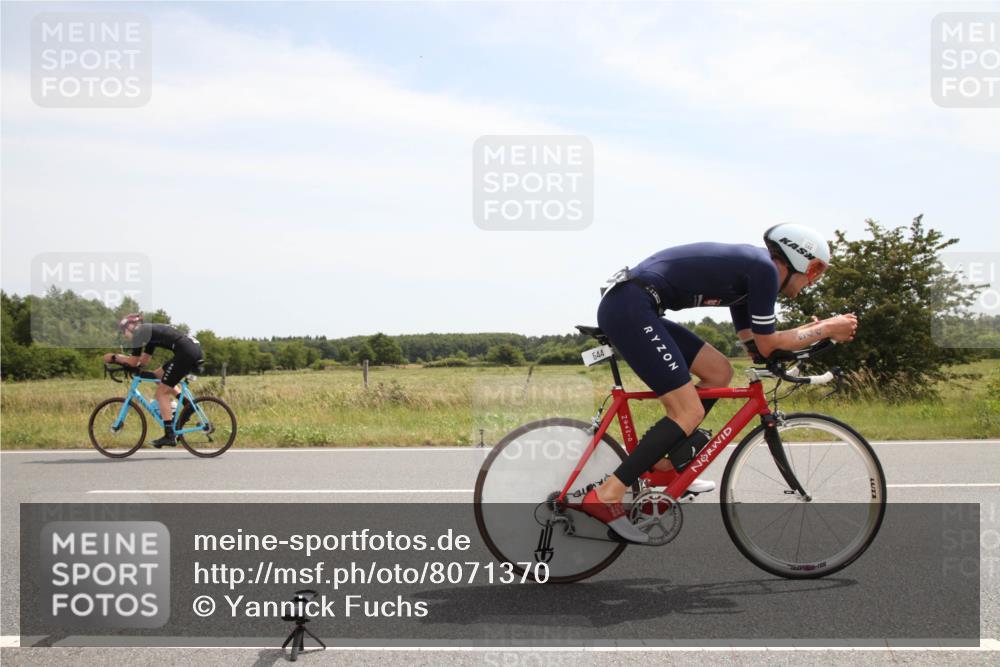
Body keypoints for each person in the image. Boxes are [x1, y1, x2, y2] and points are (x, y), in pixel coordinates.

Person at [581, 224, 858, 543]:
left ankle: (662, 466)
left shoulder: (752, 279)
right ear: (800, 259)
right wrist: (826, 328)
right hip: (631, 306)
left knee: (718, 372)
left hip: (635, 304)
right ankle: (607, 494)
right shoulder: (765, 270)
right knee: (687, 411)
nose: (812, 282)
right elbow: (769, 343)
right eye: (815, 272)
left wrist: (809, 337)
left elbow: (758, 348)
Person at [103, 314, 204, 447]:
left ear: (130, 327)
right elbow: (143, 361)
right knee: (157, 375)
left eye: (123, 331)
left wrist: (114, 358)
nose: (124, 335)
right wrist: (135, 367)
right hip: (190, 350)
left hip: (185, 352)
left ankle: (169, 435)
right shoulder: (147, 332)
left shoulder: (139, 333)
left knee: (161, 393)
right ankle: (187, 405)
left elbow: (133, 361)